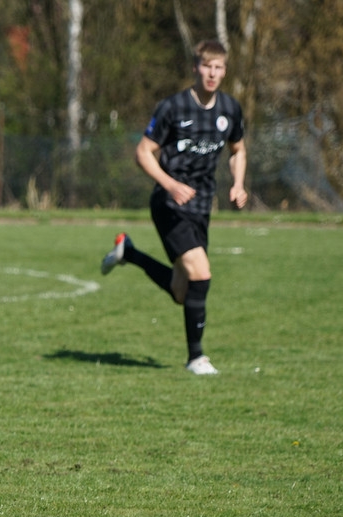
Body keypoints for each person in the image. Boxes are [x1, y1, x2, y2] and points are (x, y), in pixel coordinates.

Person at [101, 39, 247, 375]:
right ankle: (197, 358)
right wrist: (170, 184)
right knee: (201, 273)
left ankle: (129, 253)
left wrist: (238, 184)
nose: (212, 73)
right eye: (207, 66)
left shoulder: (230, 109)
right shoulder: (173, 107)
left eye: (218, 67)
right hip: (168, 204)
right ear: (196, 67)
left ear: (225, 71)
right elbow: (142, 152)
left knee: (183, 292)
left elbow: (238, 150)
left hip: (201, 208)